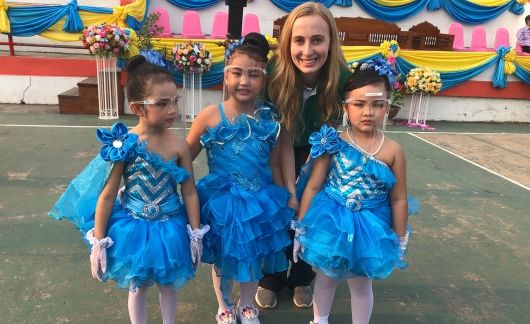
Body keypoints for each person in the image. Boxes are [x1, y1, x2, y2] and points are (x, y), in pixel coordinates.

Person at [49, 55, 208, 324]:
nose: (172, 110)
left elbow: (189, 191)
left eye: (175, 101)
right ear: (137, 107)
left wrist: (195, 232)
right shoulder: (126, 145)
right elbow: (109, 194)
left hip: (170, 225)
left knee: (168, 284)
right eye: (162, 103)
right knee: (138, 284)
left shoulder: (179, 145)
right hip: (133, 227)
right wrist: (98, 241)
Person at [292, 59, 414, 324]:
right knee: (326, 277)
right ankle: (320, 320)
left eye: (377, 104)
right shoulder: (334, 141)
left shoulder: (393, 150)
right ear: (346, 106)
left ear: (387, 107)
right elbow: (314, 184)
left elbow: (399, 197)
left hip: (370, 226)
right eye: (359, 104)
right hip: (331, 220)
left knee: (361, 282)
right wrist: (301, 226)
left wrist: (400, 235)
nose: (368, 111)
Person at [186, 33, 293, 324]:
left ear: (264, 79)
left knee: (252, 257)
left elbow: (277, 160)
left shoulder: (270, 120)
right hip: (220, 202)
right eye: (237, 73)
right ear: (226, 75)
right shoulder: (209, 116)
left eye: (253, 74)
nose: (244, 81)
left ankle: (247, 305)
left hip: (259, 201)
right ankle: (224, 305)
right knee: (222, 257)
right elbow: (184, 156)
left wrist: (288, 193)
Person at [256, 1, 351, 309]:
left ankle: (301, 275)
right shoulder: (273, 74)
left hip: (321, 155)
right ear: (288, 43)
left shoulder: (343, 79)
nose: (307, 50)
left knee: (312, 215)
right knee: (276, 211)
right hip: (276, 151)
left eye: (317, 40)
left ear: (331, 43)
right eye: (299, 40)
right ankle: (271, 276)